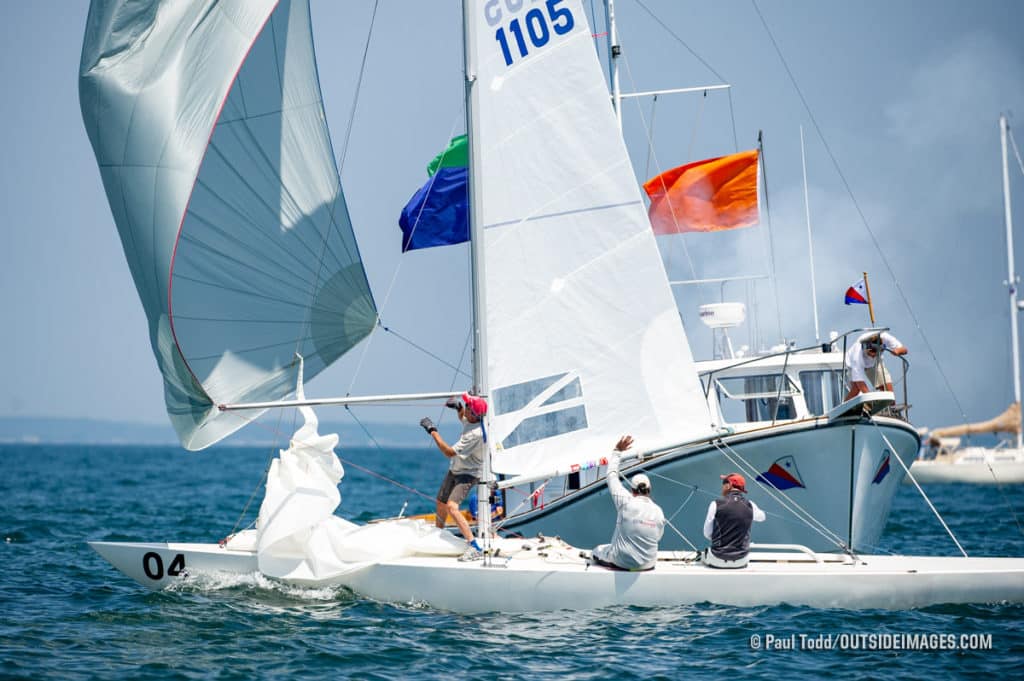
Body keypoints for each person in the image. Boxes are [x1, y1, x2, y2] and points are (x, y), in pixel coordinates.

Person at [420, 393, 486, 560]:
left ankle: (474, 546)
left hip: (468, 474)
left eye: (469, 406)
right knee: (440, 502)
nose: (467, 407)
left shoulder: (476, 434)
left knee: (451, 507)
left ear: (475, 414)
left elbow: (449, 452)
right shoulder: (472, 419)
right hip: (456, 469)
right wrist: (459, 407)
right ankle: (438, 535)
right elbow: (464, 418)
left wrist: (432, 431)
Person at [590, 435, 666, 571]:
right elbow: (657, 537)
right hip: (649, 564)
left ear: (632, 489)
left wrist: (617, 451)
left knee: (597, 550)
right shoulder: (658, 511)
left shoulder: (626, 502)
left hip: (621, 563)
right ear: (649, 490)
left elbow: (611, 475)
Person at [702, 472, 766, 569]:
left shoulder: (715, 504)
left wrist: (722, 539)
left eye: (724, 483)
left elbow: (707, 533)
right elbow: (762, 517)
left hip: (717, 559)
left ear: (729, 485)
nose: (722, 486)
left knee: (703, 555)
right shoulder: (750, 505)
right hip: (741, 560)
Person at [844, 331, 908, 400]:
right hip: (853, 364)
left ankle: (892, 408)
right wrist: (871, 400)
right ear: (865, 347)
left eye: (876, 353)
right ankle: (844, 407)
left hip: (875, 362)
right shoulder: (856, 355)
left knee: (886, 386)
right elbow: (860, 382)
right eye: (870, 354)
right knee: (856, 390)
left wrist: (897, 351)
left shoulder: (885, 337)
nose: (873, 356)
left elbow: (905, 350)